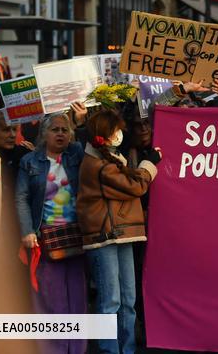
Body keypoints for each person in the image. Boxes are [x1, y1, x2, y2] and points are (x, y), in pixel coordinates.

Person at [77, 108, 162, 354]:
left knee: (128, 300)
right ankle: (110, 350)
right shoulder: (100, 166)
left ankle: (127, 349)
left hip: (121, 233)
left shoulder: (109, 160)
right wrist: (149, 165)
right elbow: (135, 186)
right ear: (106, 133)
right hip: (105, 237)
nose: (121, 133)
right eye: (116, 130)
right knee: (110, 301)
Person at [15, 114, 86, 354]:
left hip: (77, 237)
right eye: (54, 129)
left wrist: (80, 120)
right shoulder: (30, 161)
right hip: (45, 238)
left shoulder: (76, 155)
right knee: (51, 299)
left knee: (77, 298)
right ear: (44, 134)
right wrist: (26, 231)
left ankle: (76, 349)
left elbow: (89, 140)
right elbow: (22, 198)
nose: (60, 134)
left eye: (65, 130)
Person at [0, 111, 31, 244]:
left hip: (24, 228)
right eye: (6, 130)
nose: (12, 135)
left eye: (15, 129)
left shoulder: (25, 156)